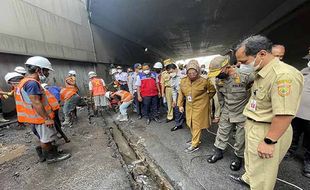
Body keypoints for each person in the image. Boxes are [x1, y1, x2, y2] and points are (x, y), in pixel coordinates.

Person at [230, 35, 303, 189]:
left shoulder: (283, 75)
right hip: (254, 125)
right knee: (252, 163)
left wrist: (269, 141)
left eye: (244, 61)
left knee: (262, 176)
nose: (242, 65)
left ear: (262, 54)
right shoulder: (261, 70)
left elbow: (284, 114)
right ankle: (248, 179)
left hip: (267, 130)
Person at [16, 56, 71, 163]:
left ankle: (45, 155)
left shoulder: (24, 82)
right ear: (38, 70)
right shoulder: (32, 83)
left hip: (36, 116)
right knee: (46, 139)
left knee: (45, 137)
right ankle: (52, 157)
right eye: (46, 71)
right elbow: (36, 102)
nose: (47, 74)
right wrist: (46, 118)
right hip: (40, 117)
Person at [207, 55, 253, 171]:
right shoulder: (219, 80)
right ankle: (218, 152)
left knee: (240, 138)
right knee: (221, 132)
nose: (217, 75)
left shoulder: (245, 76)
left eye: (218, 72)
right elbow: (220, 97)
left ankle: (239, 157)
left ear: (226, 67)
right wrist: (223, 111)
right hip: (227, 110)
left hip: (242, 111)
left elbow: (255, 93)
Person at [178, 60, 216, 153]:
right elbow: (181, 94)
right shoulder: (183, 81)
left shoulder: (204, 81)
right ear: (186, 72)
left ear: (198, 71)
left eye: (194, 73)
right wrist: (180, 105)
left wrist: (205, 100)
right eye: (189, 73)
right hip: (189, 106)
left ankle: (195, 144)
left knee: (196, 125)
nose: (192, 75)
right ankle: (196, 140)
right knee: (190, 123)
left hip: (200, 107)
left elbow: (212, 91)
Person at [285, 53, 310, 178]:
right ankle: (290, 151)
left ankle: (308, 162)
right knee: (294, 133)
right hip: (297, 111)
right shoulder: (304, 71)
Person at [166, 63, 184, 131]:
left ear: (176, 69)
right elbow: (173, 90)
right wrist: (174, 100)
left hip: (185, 95)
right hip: (178, 95)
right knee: (177, 109)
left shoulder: (183, 77)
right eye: (169, 73)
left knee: (184, 110)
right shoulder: (172, 78)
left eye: (171, 72)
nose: (170, 74)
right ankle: (178, 124)